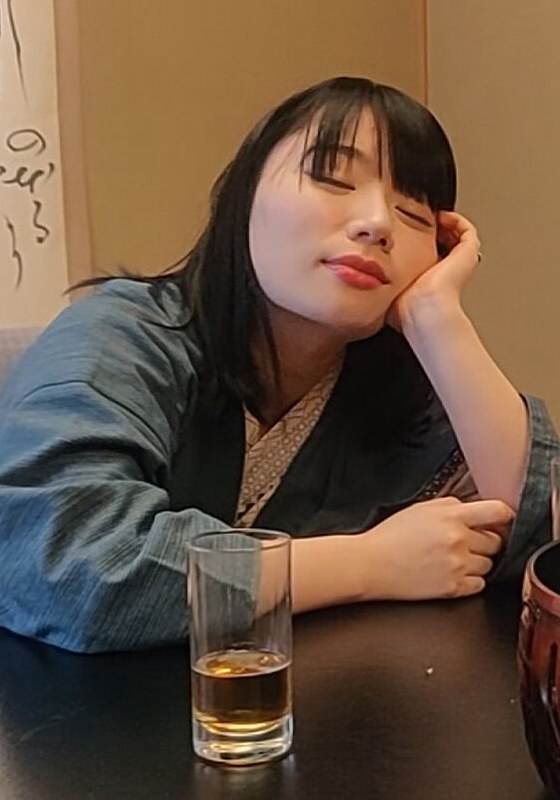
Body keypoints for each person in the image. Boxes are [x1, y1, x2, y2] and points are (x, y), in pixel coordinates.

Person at [0, 76, 556, 653]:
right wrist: (367, 563)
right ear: (244, 195)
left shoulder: (396, 390)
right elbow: (68, 562)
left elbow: (543, 542)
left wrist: (438, 319)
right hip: (94, 706)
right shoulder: (120, 336)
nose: (377, 223)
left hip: (324, 702)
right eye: (332, 178)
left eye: (414, 213)